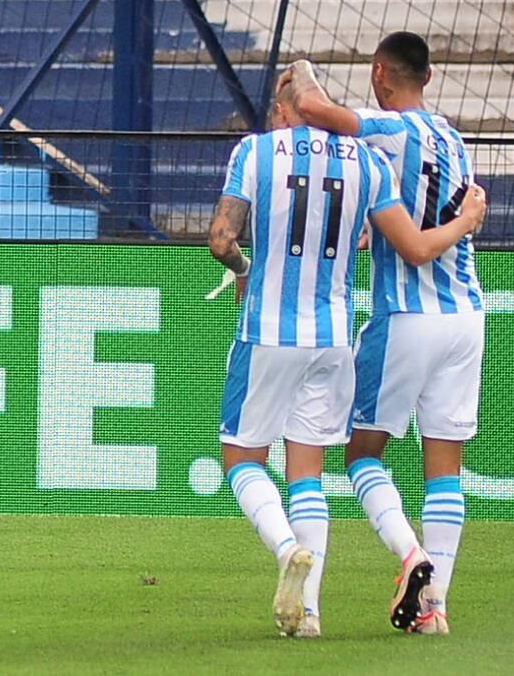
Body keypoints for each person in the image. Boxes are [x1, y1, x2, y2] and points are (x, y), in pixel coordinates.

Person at [207, 73, 487, 637]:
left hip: (268, 331)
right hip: (334, 337)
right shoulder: (368, 162)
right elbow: (395, 237)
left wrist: (242, 271)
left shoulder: (256, 152)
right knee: (307, 472)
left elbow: (220, 238)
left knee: (241, 458)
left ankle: (288, 553)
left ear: (286, 110)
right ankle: (309, 613)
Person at [284, 34, 485, 636]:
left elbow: (315, 108)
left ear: (380, 73)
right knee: (444, 467)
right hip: (467, 315)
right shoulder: (451, 135)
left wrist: (300, 68)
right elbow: (426, 207)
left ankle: (412, 555)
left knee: (361, 453)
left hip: (407, 316)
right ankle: (434, 609)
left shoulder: (389, 130)